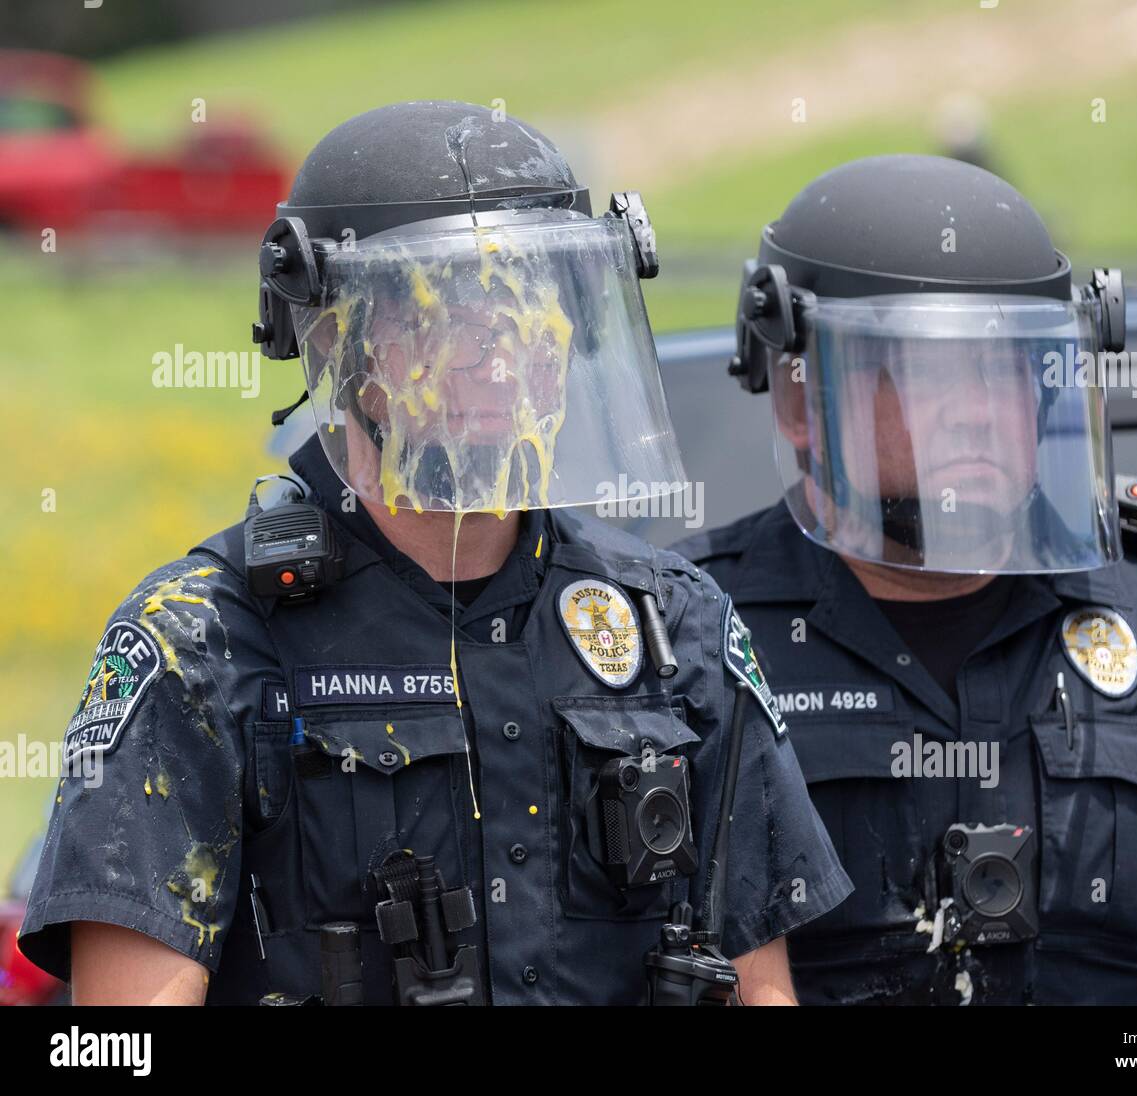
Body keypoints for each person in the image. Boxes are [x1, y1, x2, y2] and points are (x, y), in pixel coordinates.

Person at [19, 101, 850, 1006]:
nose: (497, 355)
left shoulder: (672, 622)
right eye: (442, 310)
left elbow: (763, 991)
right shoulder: (200, 643)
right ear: (336, 341)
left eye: (530, 308)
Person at [676, 154, 1137, 1005]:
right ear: (799, 400)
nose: (975, 407)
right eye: (927, 370)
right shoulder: (697, 639)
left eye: (1008, 369)